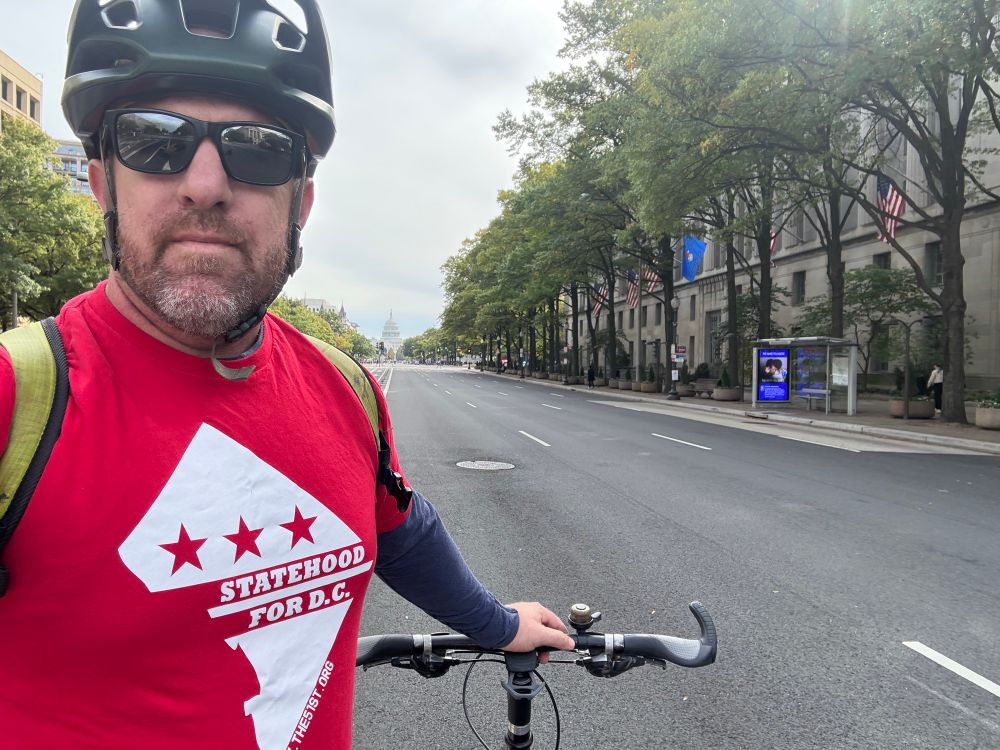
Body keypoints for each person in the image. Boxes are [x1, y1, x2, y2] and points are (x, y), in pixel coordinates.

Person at [0, 2, 573, 748]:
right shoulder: (19, 398)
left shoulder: (348, 387)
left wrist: (500, 625)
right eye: (154, 140)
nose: (204, 184)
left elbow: (398, 530)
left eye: (258, 149)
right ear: (103, 183)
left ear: (300, 203)